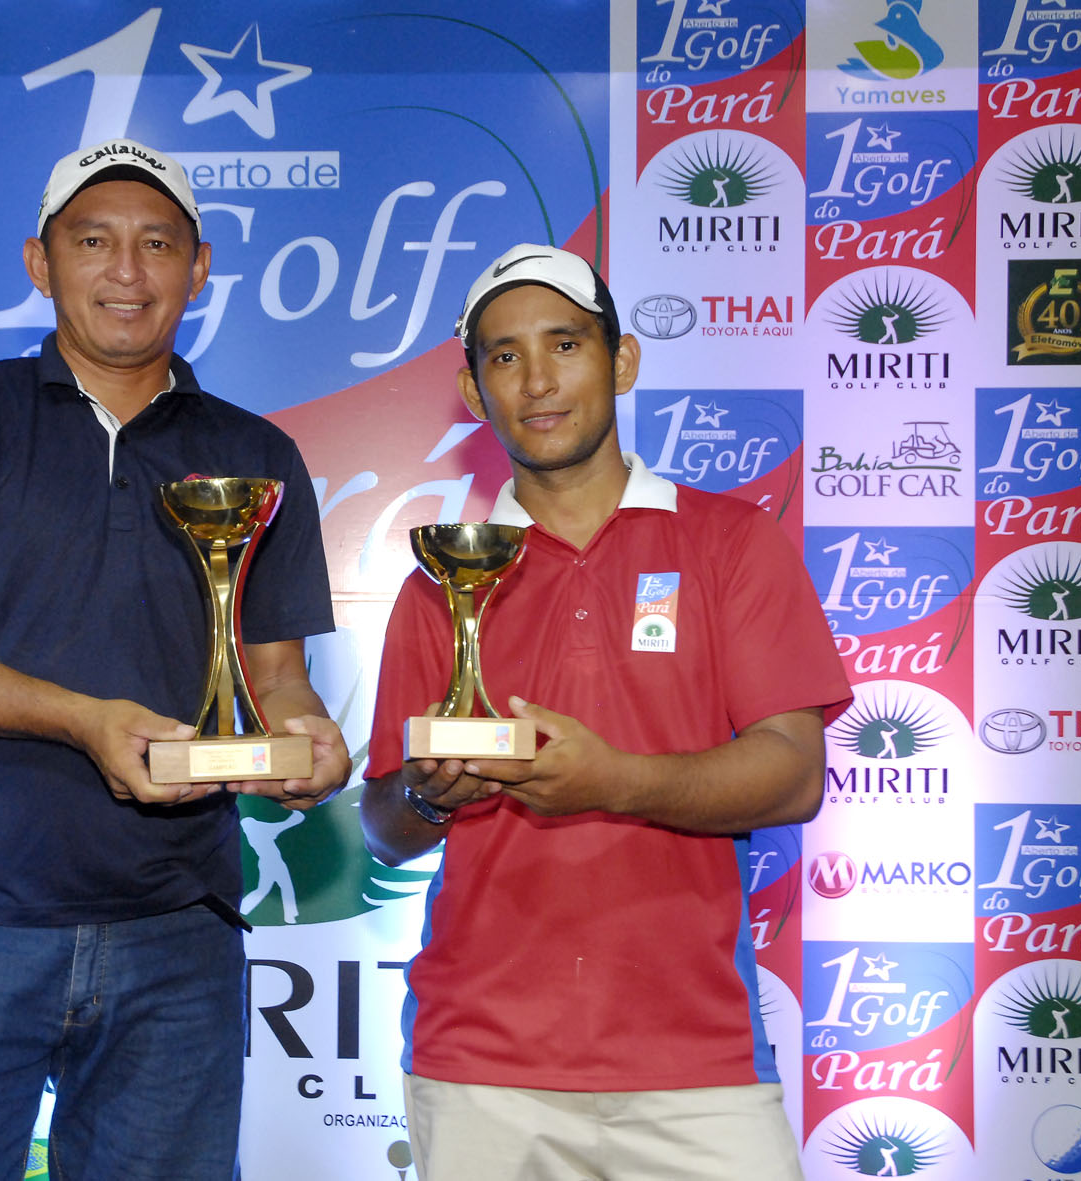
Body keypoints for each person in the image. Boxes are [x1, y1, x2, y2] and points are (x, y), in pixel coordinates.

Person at [0, 138, 351, 1179]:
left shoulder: (258, 454)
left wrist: (306, 740)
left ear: (198, 268)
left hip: (178, 928)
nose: (128, 271)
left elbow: (274, 672)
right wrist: (80, 717)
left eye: (158, 243)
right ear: (40, 261)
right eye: (95, 241)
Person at [360, 244, 853, 1180]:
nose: (537, 381)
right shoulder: (440, 582)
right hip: (483, 1067)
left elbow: (793, 774)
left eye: (565, 345)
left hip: (697, 1061)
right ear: (474, 391)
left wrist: (611, 781)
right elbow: (383, 829)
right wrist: (432, 798)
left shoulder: (729, 541)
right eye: (503, 356)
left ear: (622, 361)